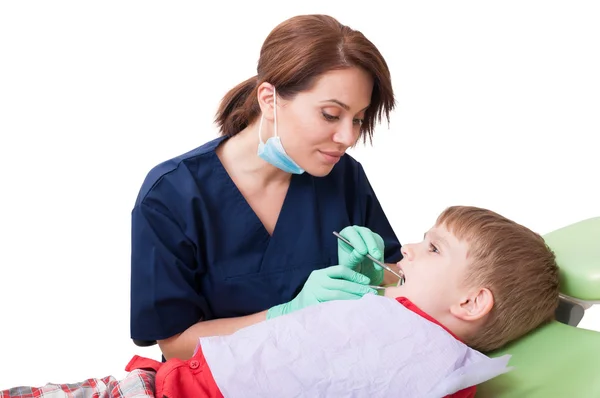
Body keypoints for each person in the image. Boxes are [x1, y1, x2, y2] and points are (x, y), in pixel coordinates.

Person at [2, 206, 560, 397]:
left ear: (471, 302)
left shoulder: (434, 367)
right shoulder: (402, 315)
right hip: (168, 380)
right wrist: (357, 287)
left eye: (433, 248)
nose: (408, 247)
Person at [129, 13, 403, 361]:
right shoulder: (172, 196)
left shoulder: (344, 177)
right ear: (269, 99)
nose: (348, 137)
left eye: (359, 119)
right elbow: (177, 344)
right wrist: (287, 315)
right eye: (331, 115)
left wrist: (381, 282)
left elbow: (399, 282)